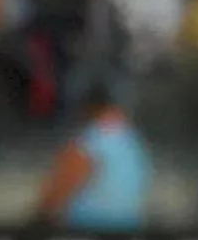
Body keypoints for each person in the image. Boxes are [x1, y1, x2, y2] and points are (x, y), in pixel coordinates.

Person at [35, 86, 152, 231]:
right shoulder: (135, 144)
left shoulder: (89, 143)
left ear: (86, 110)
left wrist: (37, 220)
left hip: (88, 236)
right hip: (130, 232)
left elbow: (53, 199)